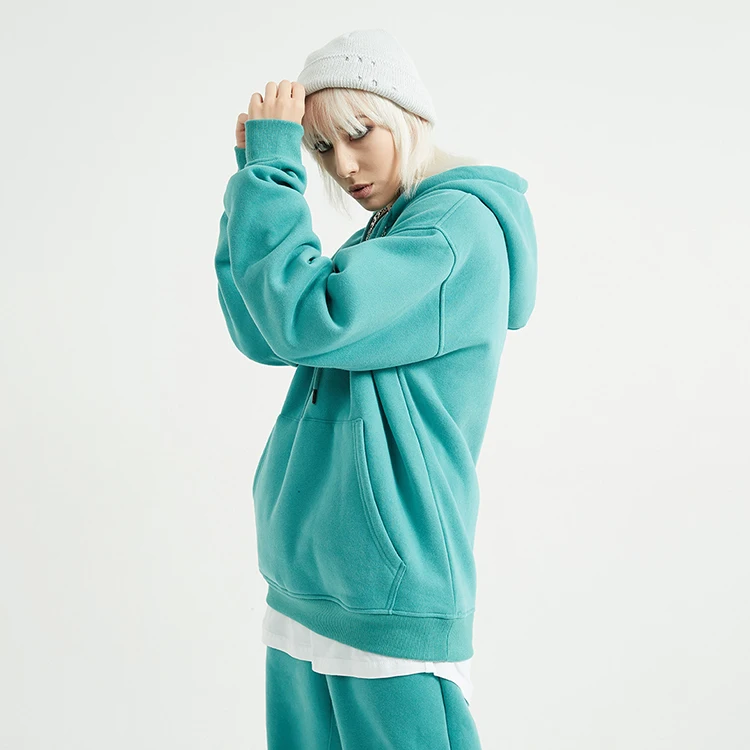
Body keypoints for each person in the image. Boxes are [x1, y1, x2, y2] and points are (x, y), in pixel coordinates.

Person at [215, 28, 538, 750]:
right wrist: (254, 184)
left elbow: (306, 319)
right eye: (320, 149)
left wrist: (273, 177)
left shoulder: (452, 231)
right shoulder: (385, 232)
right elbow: (266, 332)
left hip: (387, 589)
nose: (344, 167)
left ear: (406, 117)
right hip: (312, 576)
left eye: (359, 133)